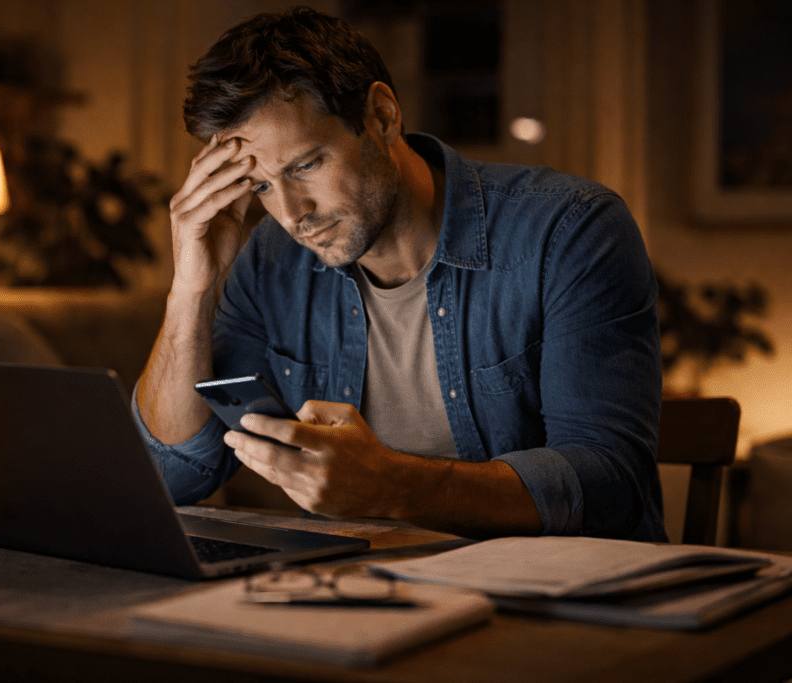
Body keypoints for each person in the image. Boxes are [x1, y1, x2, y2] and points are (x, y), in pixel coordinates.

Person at [133, 6, 666, 541]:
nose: (293, 214)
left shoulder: (569, 230)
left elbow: (609, 485)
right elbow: (170, 476)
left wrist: (393, 487)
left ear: (382, 116)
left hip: (549, 601)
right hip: (352, 600)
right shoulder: (272, 260)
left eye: (304, 166)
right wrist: (191, 289)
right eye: (263, 187)